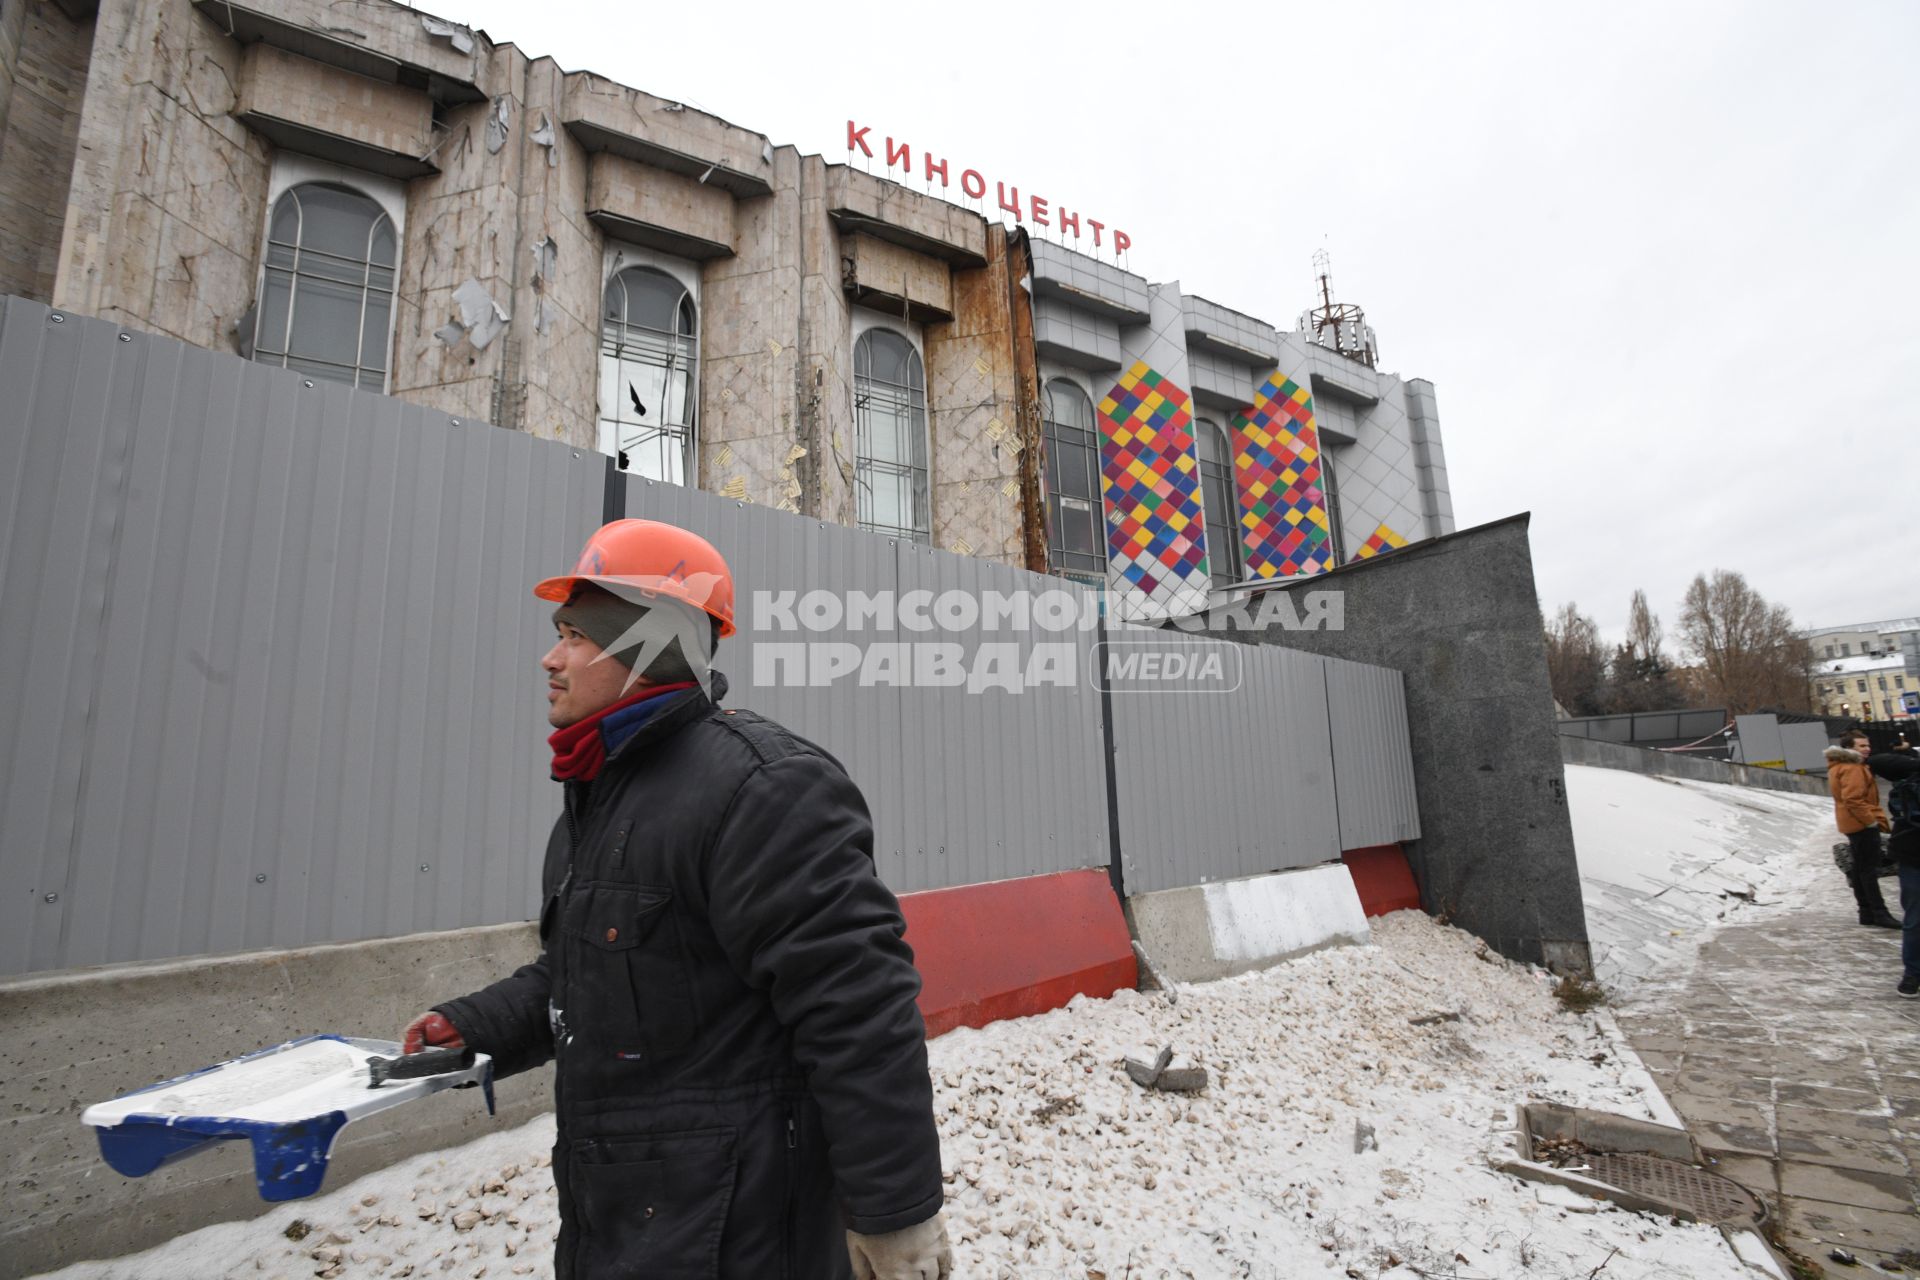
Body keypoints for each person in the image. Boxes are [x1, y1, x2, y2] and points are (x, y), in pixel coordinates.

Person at [400, 519, 951, 1279]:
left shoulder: (760, 789)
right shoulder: (598, 801)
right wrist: (470, 1027)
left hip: (739, 1234)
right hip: (624, 1222)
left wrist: (896, 1217)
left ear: (647, 649)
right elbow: (588, 973)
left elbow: (859, 1010)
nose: (550, 658)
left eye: (576, 636)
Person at [1827, 729, 1900, 930]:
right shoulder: (1853, 768)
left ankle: (1866, 911)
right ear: (1849, 748)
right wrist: (1871, 821)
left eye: (1867, 745)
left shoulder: (1838, 766)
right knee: (1869, 870)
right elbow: (1853, 799)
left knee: (1859, 869)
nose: (1867, 749)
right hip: (1861, 824)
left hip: (1850, 822)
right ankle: (1879, 912)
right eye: (1862, 746)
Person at [1864, 739, 1920, 997]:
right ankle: (1913, 974)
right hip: (1913, 853)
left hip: (1910, 851)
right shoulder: (1911, 770)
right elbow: (1876, 760)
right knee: (1915, 918)